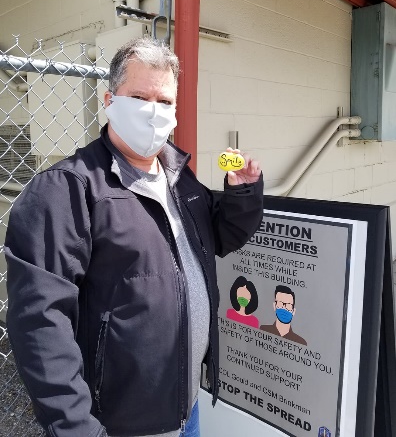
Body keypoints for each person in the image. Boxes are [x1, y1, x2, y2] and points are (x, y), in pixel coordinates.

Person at [5, 37, 264, 437]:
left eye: (165, 102)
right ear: (110, 99)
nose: (154, 112)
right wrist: (77, 428)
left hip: (187, 409)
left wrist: (243, 192)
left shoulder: (180, 177)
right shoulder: (67, 190)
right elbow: (40, 323)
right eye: (140, 96)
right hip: (120, 425)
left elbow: (222, 237)